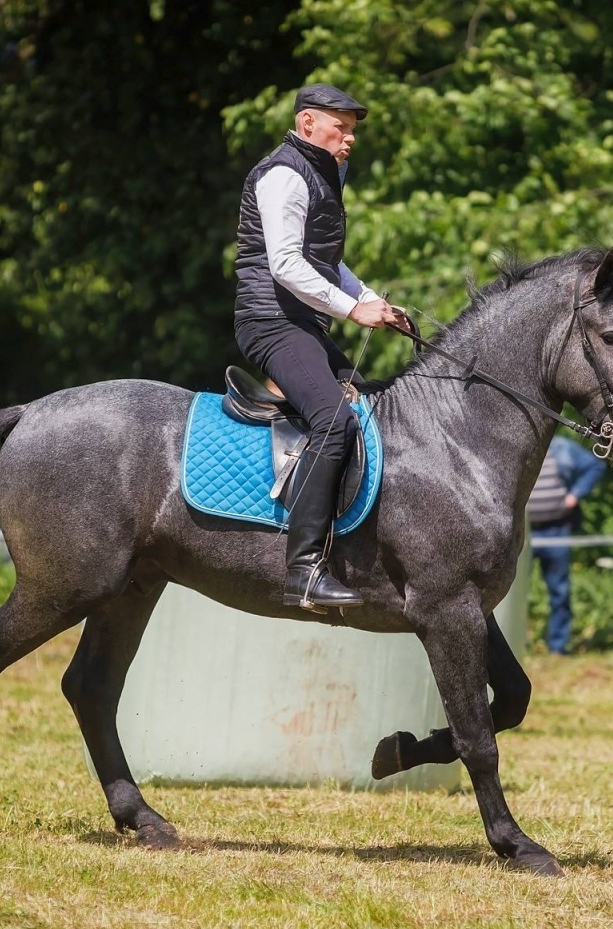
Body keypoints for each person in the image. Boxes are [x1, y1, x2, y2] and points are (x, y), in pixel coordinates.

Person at [233, 83, 408, 612]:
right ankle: (304, 569)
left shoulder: (321, 175)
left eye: (353, 128)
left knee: (375, 406)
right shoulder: (285, 174)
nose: (350, 137)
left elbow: (326, 264)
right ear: (308, 122)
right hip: (272, 323)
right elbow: (285, 266)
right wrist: (353, 310)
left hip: (303, 325)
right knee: (334, 420)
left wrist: (374, 299)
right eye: (342, 125)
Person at [528, 436, 605, 654]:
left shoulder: (560, 447)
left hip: (556, 530)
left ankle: (557, 647)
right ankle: (516, 648)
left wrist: (574, 495)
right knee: (509, 595)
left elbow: (595, 466)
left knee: (559, 591)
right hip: (521, 532)